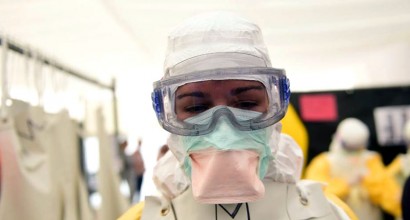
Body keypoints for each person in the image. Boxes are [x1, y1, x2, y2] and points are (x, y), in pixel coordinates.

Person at [118, 11, 357, 220]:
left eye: (246, 103)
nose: (223, 130)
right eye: (196, 107)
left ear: (274, 106)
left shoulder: (330, 212)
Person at [305, 117, 402, 220]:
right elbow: (314, 195)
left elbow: (391, 198)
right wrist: (346, 184)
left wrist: (368, 181)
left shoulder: (371, 160)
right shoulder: (325, 162)